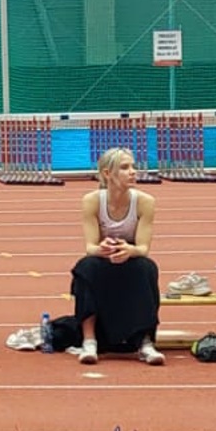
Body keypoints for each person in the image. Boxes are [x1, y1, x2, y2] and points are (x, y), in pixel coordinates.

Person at [72, 147, 164, 365]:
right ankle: (89, 341)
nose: (132, 172)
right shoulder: (92, 201)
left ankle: (145, 341)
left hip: (131, 257)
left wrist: (129, 250)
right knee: (85, 267)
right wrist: (104, 248)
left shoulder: (145, 202)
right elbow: (90, 247)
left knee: (146, 267)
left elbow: (143, 248)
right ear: (107, 174)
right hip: (103, 259)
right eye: (124, 168)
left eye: (133, 167)